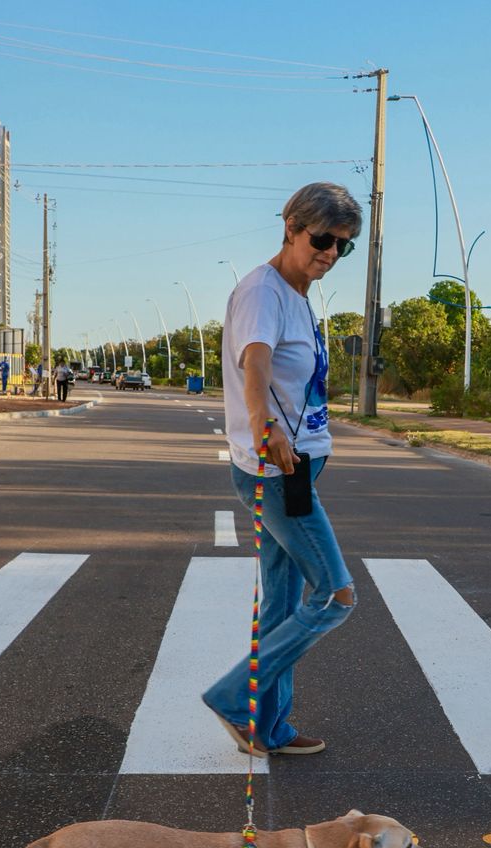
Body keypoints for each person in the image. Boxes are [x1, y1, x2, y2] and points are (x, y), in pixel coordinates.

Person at [202, 182, 361, 756]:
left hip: (295, 471)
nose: (330, 253)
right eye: (322, 239)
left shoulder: (297, 293)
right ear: (291, 227)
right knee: (334, 596)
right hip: (274, 473)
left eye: (342, 245)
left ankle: (266, 728)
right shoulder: (262, 291)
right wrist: (262, 421)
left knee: (282, 603)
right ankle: (232, 696)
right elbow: (256, 360)